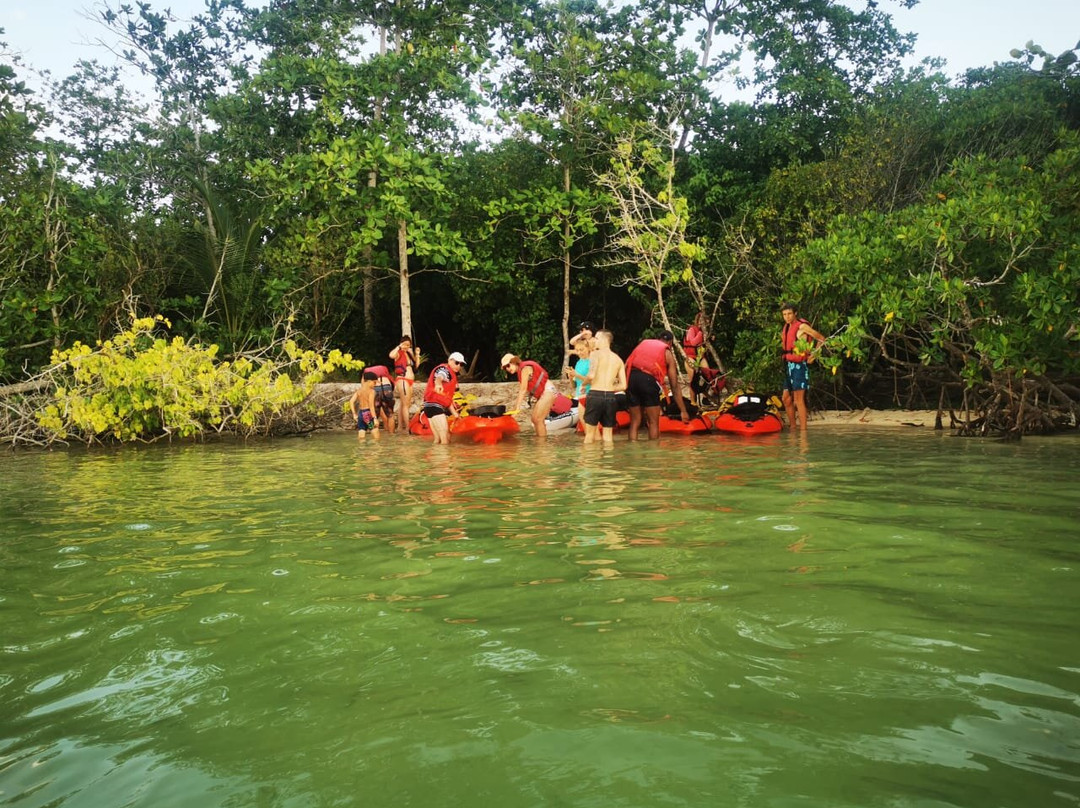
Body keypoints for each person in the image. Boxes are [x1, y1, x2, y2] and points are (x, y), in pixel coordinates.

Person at [624, 330, 689, 440]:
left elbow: (627, 364)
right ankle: (654, 452)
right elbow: (674, 385)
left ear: (657, 338)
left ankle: (633, 449)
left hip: (631, 378)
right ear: (670, 343)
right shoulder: (667, 353)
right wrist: (683, 411)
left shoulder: (644, 343)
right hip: (648, 380)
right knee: (653, 422)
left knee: (635, 422)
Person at [780, 302, 827, 429]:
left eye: (789, 313)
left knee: (798, 400)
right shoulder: (787, 327)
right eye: (784, 314)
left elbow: (821, 338)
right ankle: (793, 428)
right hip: (789, 365)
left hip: (799, 366)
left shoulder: (802, 327)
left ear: (795, 313)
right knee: (786, 399)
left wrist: (814, 355)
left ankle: (803, 432)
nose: (787, 317)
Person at [582, 329, 627, 445]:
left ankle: (588, 462)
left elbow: (591, 375)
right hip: (611, 397)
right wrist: (610, 387)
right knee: (608, 436)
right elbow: (624, 385)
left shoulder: (595, 354)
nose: (594, 341)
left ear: (603, 339)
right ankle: (608, 462)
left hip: (595, 395)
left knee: (589, 435)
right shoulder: (618, 360)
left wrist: (583, 384)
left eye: (596, 338)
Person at [501, 353, 558, 437]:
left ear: (514, 362)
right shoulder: (521, 370)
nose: (507, 369)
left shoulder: (525, 368)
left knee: (538, 420)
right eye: (505, 368)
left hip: (548, 391)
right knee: (534, 420)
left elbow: (523, 390)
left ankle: (542, 445)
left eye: (508, 365)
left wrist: (517, 409)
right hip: (545, 393)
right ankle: (541, 443)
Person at [422, 351, 465, 444]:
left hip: (429, 406)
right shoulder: (445, 370)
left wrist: (455, 414)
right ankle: (444, 458)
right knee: (445, 439)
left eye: (461, 364)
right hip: (434, 406)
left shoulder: (451, 375)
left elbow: (447, 399)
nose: (458, 366)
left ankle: (435, 457)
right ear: (450, 360)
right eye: (456, 363)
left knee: (438, 440)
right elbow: (440, 376)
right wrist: (438, 384)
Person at [389, 335, 421, 432]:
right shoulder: (398, 353)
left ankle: (399, 427)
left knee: (404, 403)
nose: (407, 346)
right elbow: (391, 355)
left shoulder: (409, 354)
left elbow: (416, 366)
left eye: (408, 345)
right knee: (406, 405)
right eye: (405, 344)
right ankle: (407, 428)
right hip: (402, 379)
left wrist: (417, 354)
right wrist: (399, 347)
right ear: (401, 343)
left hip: (410, 381)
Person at [682, 311, 710, 406]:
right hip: (690, 357)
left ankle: (705, 399)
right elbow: (693, 343)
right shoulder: (692, 330)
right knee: (693, 380)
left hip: (700, 357)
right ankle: (693, 402)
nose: (704, 324)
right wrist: (701, 334)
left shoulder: (706, 332)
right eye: (702, 321)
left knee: (708, 376)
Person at [348, 371, 381, 442]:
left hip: (360, 414)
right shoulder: (371, 391)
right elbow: (371, 406)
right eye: (374, 382)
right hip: (368, 415)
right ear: (369, 381)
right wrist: (375, 418)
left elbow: (351, 401)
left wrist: (354, 414)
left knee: (361, 434)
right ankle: (376, 452)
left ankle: (362, 451)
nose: (375, 385)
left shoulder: (359, 391)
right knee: (376, 435)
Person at [364, 364, 396, 432]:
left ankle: (372, 436)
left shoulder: (366, 372)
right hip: (387, 388)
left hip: (375, 389)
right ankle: (391, 437)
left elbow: (364, 386)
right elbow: (392, 383)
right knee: (390, 415)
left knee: (373, 416)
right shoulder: (384, 369)